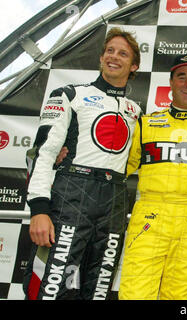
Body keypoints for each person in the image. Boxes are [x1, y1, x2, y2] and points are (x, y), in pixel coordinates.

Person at [23, 27, 142, 300]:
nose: (114, 57)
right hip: (71, 197)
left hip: (113, 202)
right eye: (109, 51)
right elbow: (42, 153)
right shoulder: (68, 94)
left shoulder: (136, 111)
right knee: (54, 286)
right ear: (100, 58)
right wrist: (39, 209)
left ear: (134, 65)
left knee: (98, 287)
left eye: (123, 53)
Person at [118, 54, 187, 300]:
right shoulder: (146, 123)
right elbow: (117, 168)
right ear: (171, 82)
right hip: (149, 216)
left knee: (180, 295)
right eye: (182, 77)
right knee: (135, 294)